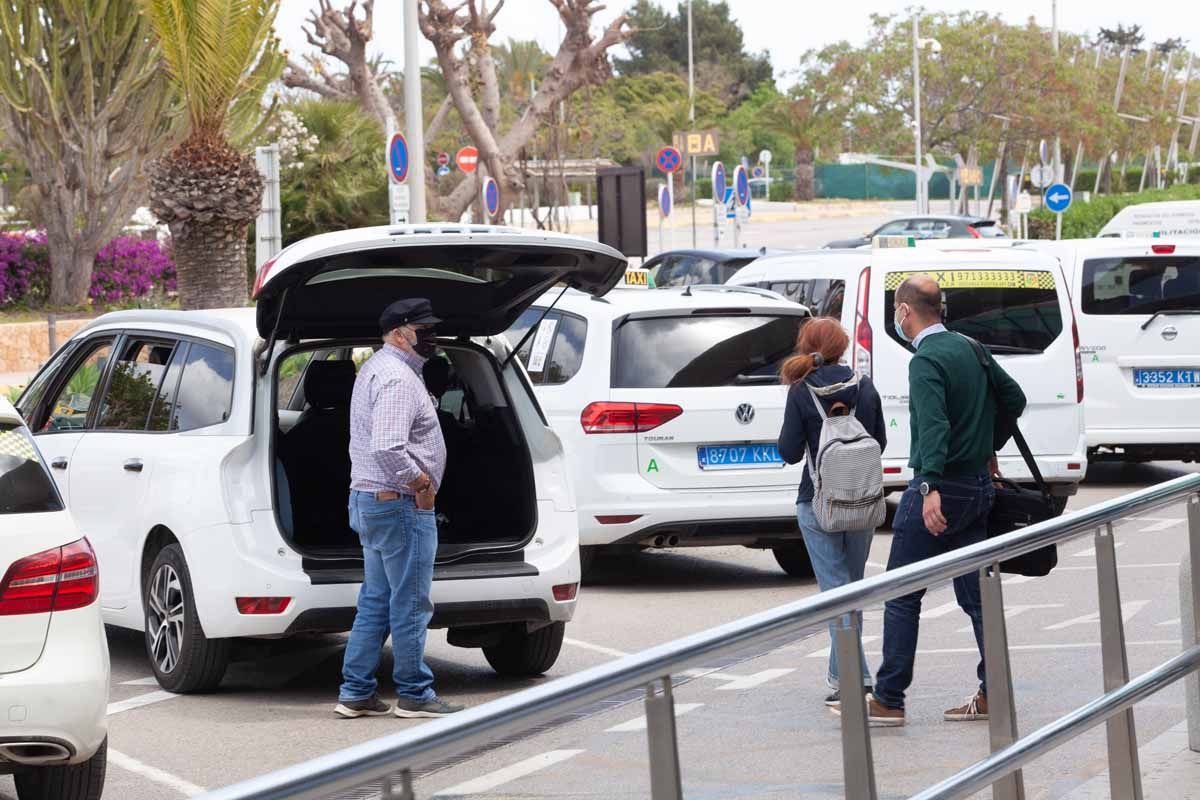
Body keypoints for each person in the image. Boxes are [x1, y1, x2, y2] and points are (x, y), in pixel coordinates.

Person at [868, 274, 1026, 727]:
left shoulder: (926, 360)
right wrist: (987, 446)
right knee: (977, 597)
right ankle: (994, 691)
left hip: (942, 489)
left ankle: (889, 697)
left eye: (897, 311)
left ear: (904, 312)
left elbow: (933, 426)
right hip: (977, 486)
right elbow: (1013, 397)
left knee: (900, 592)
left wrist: (929, 485)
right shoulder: (971, 348)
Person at [335, 298, 464, 719]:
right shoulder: (397, 379)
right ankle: (414, 693)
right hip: (399, 503)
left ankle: (355, 691)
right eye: (421, 328)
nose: (430, 335)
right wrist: (422, 484)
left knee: (376, 598)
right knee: (410, 601)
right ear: (397, 333)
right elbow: (388, 446)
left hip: (374, 501)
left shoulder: (379, 368)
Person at [778, 317, 887, 708]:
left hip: (818, 503)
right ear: (842, 346)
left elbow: (789, 452)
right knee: (851, 591)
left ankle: (855, 680)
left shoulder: (801, 391)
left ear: (806, 346)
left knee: (836, 595)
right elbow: (881, 441)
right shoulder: (865, 385)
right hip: (863, 501)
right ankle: (844, 675)